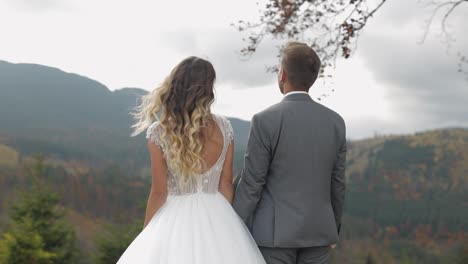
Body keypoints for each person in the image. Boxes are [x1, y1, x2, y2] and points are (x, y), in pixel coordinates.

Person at [117, 56, 266, 264]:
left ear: (175, 85)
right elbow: (225, 183)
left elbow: (159, 191)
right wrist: (230, 226)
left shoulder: (159, 132)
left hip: (173, 219)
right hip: (219, 214)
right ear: (208, 89)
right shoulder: (225, 128)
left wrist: (147, 233)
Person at [233, 41, 347, 264]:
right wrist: (333, 226)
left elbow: (252, 183)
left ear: (283, 74)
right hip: (319, 232)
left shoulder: (265, 120)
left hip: (273, 236)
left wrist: (235, 225)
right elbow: (338, 182)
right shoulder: (336, 122)